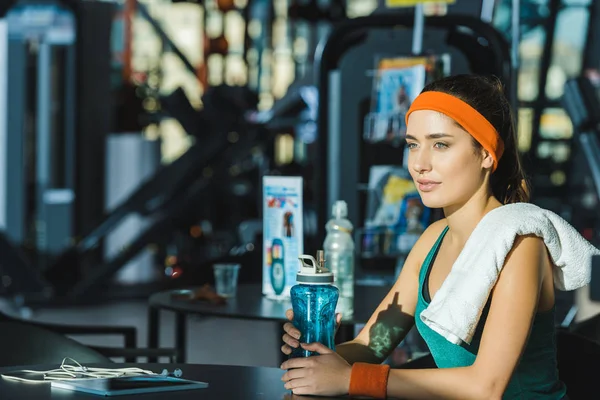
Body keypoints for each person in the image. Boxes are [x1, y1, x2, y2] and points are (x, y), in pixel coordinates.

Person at [279, 74, 572, 399]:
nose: (419, 164)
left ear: (487, 154)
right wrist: (318, 351)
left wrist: (351, 379)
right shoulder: (433, 239)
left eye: (440, 144)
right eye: (413, 145)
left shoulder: (521, 242)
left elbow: (486, 387)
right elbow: (371, 345)